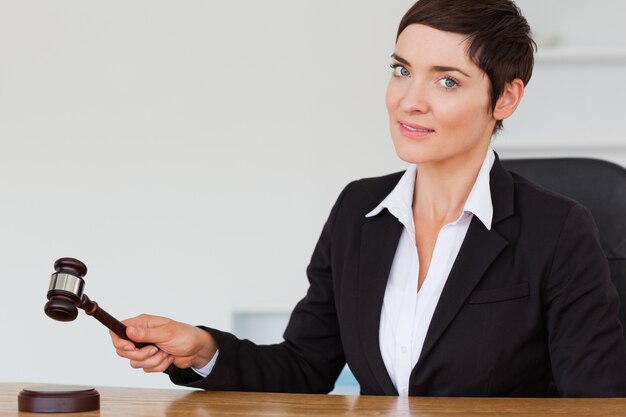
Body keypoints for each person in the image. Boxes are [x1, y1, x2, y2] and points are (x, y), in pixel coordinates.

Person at [110, 0, 626, 397]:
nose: (409, 100)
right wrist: (204, 350)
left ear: (506, 98)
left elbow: (596, 402)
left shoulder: (558, 230)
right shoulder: (359, 212)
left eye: (447, 81)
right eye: (402, 69)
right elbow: (305, 367)